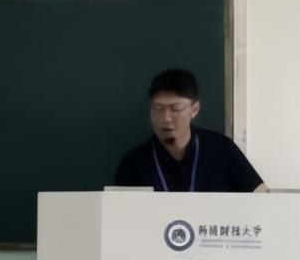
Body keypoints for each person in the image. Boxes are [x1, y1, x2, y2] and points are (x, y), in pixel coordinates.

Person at [113, 68, 266, 193]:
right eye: (158, 108)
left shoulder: (222, 150)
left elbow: (260, 197)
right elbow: (119, 213)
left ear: (194, 109)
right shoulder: (133, 163)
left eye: (175, 108)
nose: (166, 118)